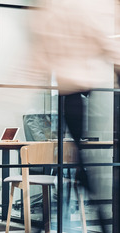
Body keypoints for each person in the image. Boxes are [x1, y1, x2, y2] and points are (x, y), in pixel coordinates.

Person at [27, 1, 120, 232]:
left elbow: (37, 58)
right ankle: (88, 209)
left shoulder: (57, 10)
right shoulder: (70, 10)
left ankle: (86, 208)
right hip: (78, 92)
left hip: (75, 93)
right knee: (80, 161)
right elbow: (105, 42)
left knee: (81, 161)